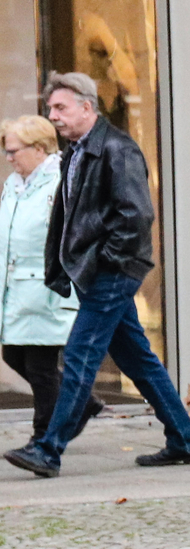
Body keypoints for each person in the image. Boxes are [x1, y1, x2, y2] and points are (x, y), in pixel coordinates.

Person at [2, 71, 190, 478]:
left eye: (61, 107)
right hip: (98, 271)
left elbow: (137, 215)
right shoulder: (79, 151)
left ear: (87, 107)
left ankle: (48, 449)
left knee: (79, 354)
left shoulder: (116, 149)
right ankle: (184, 439)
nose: (53, 115)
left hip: (114, 270)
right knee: (139, 360)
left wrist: (106, 261)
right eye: (50, 108)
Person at [1, 116, 101, 443]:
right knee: (14, 356)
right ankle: (82, 403)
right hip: (16, 288)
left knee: (40, 366)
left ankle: (43, 439)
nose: (8, 157)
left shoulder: (60, 183)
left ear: (40, 148)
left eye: (14, 150)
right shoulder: (14, 185)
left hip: (48, 287)